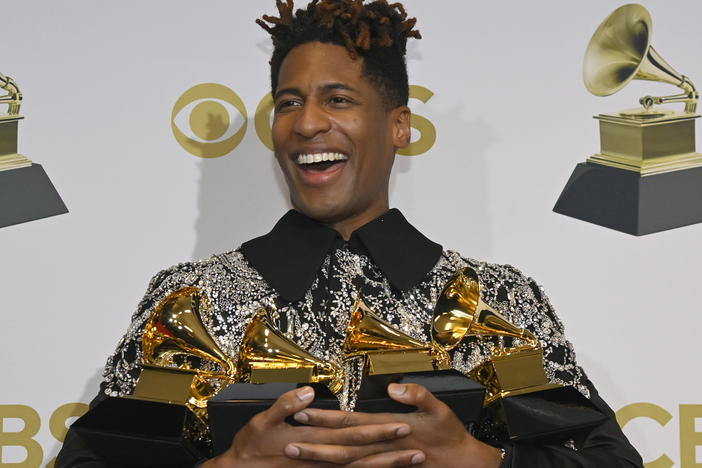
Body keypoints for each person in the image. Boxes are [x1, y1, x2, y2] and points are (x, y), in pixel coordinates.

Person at [57, 1, 644, 467]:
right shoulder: (192, 302)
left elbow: (605, 461)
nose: (308, 122)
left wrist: (481, 461)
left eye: (337, 99)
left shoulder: (495, 300)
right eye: (289, 103)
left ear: (399, 126)